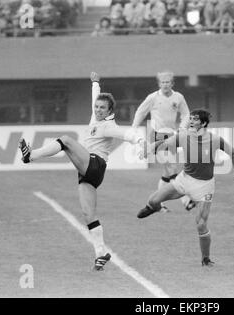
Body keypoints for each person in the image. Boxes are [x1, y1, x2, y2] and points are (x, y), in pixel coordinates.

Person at [18, 71, 145, 271]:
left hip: (95, 164)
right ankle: (101, 253)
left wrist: (140, 141)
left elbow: (127, 134)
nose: (98, 110)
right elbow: (95, 97)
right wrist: (95, 82)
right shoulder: (95, 116)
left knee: (66, 140)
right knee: (88, 214)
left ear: (110, 110)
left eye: (103, 108)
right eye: (97, 107)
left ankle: (30, 156)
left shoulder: (108, 126)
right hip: (89, 172)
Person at [136, 109, 234, 266]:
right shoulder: (184, 136)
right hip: (184, 180)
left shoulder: (215, 139)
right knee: (153, 200)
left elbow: (233, 153)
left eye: (194, 119)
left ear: (203, 123)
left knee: (201, 224)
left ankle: (205, 259)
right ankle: (153, 207)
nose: (190, 121)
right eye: (190, 119)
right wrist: (151, 148)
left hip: (204, 187)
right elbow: (166, 143)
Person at [131, 70, 193, 212]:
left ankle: (158, 204)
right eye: (162, 82)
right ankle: (186, 201)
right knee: (172, 167)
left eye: (167, 82)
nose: (165, 85)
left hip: (171, 136)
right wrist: (133, 128)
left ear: (172, 83)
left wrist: (183, 127)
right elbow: (140, 111)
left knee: (167, 172)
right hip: (156, 136)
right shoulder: (153, 97)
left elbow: (186, 114)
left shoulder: (178, 97)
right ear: (159, 84)